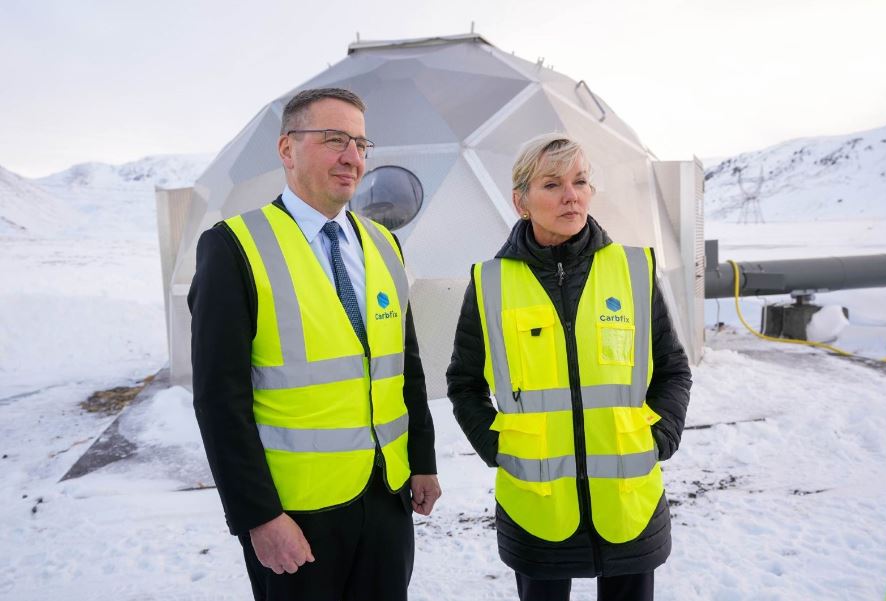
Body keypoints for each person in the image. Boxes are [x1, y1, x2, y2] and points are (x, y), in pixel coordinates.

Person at [189, 87, 441, 601]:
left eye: (361, 143)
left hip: (386, 497)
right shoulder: (235, 247)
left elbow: (403, 366)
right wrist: (259, 517)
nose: (353, 157)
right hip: (296, 514)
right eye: (334, 140)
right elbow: (220, 399)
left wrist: (422, 460)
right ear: (287, 150)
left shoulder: (384, 245)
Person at [446, 133, 692, 601]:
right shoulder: (491, 283)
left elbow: (672, 369)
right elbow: (464, 382)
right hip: (537, 504)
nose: (571, 195)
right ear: (521, 201)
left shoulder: (632, 270)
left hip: (628, 502)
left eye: (580, 181)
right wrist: (495, 444)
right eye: (552, 184)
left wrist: (661, 434)